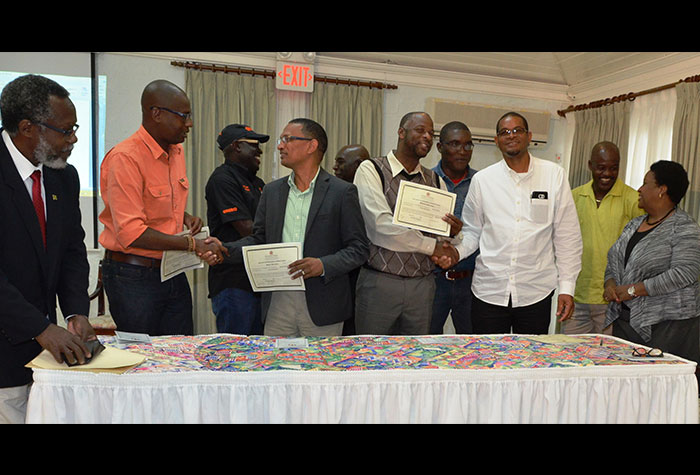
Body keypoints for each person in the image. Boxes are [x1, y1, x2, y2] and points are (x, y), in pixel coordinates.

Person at [206, 118, 369, 337]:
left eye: (287, 139)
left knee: (318, 369)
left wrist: (323, 265)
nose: (280, 145)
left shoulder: (342, 192)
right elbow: (258, 240)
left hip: (324, 304)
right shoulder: (272, 192)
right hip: (277, 303)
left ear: (311, 146)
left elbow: (359, 249)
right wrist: (224, 249)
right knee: (276, 368)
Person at [0, 74, 97, 423]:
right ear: (28, 128)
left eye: (75, 128)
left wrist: (75, 312)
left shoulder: (63, 176)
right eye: (65, 130)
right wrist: (39, 328)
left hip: (46, 355)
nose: (73, 139)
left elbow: (72, 249)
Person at [99, 79, 224, 336]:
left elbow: (156, 205)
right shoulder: (126, 158)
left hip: (172, 270)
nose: (189, 123)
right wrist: (192, 245)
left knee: (181, 353)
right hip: (132, 275)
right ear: (156, 114)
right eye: (183, 116)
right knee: (142, 361)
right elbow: (132, 232)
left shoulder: (176, 151)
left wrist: (184, 218)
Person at [443, 111, 582, 335]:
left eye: (517, 130)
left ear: (529, 136)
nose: (511, 136)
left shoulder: (554, 175)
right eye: (504, 132)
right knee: (487, 362)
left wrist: (567, 288)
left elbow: (567, 237)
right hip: (489, 292)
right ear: (496, 140)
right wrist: (455, 254)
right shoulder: (483, 180)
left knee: (530, 363)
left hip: (535, 291)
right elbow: (471, 232)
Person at [353, 111, 461, 335]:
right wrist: (433, 246)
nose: (428, 137)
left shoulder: (435, 180)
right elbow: (379, 226)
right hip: (380, 283)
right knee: (373, 358)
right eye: (420, 130)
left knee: (416, 359)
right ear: (401, 133)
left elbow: (440, 236)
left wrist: (451, 234)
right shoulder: (371, 169)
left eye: (431, 133)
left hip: (422, 286)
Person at [604, 160, 700, 372]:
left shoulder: (685, 228)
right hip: (626, 323)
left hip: (669, 326)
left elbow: (685, 272)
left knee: (660, 392)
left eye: (645, 183)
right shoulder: (634, 225)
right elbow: (614, 260)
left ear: (661, 190)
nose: (639, 189)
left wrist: (633, 290)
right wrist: (610, 283)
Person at [564, 141, 643, 335]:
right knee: (569, 358)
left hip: (613, 300)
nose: (607, 173)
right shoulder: (574, 196)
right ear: (590, 165)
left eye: (613, 168)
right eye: (601, 168)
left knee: (608, 360)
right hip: (576, 296)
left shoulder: (633, 200)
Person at [205, 124, 269, 335]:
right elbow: (248, 229)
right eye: (254, 145)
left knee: (258, 353)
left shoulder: (258, 183)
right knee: (234, 353)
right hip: (233, 281)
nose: (259, 151)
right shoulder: (222, 179)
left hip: (258, 280)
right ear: (236, 147)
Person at [430, 121, 479, 334]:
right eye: (455, 144)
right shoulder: (425, 180)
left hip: (471, 281)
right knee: (426, 343)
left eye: (468, 145)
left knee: (472, 348)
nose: (462, 151)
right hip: (432, 280)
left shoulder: (482, 182)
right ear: (440, 147)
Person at [331, 143, 370, 335]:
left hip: (366, 277)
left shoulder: (376, 195)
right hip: (338, 277)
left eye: (340, 162)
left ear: (359, 165)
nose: (334, 167)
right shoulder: (334, 194)